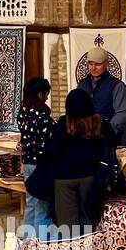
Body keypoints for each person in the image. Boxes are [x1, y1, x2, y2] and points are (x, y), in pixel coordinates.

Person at [26, 88, 118, 233]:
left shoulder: (64, 125)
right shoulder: (100, 125)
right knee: (88, 222)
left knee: (68, 228)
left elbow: (52, 151)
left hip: (64, 180)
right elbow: (109, 147)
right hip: (90, 178)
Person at [16, 77, 55, 240]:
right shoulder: (42, 117)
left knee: (31, 202)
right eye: (46, 95)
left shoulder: (23, 113)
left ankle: (27, 241)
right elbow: (51, 139)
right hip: (41, 164)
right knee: (42, 206)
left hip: (28, 163)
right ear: (40, 94)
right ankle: (42, 245)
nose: (46, 99)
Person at [77, 46, 126, 147]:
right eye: (90, 64)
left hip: (108, 139)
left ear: (106, 64)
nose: (93, 68)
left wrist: (107, 131)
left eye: (98, 64)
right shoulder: (82, 84)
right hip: (84, 138)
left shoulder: (117, 86)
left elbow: (121, 113)